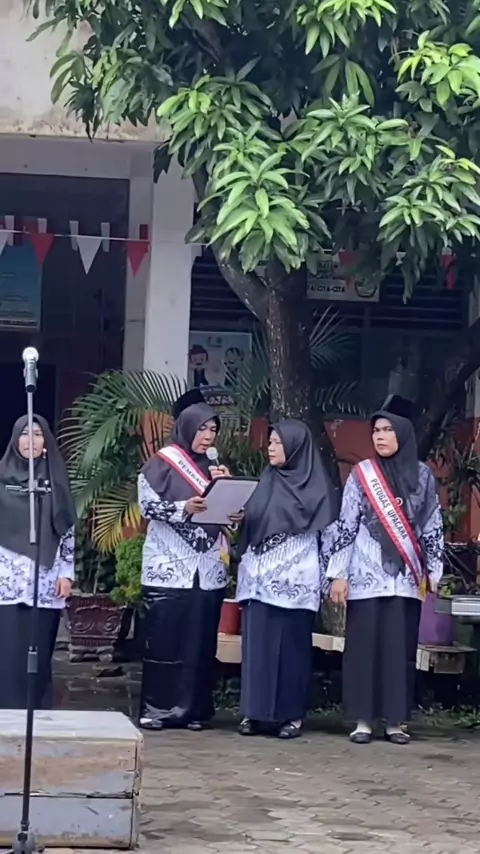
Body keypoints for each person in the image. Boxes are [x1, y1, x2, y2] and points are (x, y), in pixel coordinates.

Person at [327, 399, 444, 745]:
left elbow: (432, 525)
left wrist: (434, 569)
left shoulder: (422, 476)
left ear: (403, 434)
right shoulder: (362, 474)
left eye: (387, 430)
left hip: (405, 578)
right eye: (376, 430)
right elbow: (346, 525)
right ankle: (363, 720)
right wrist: (338, 573)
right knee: (363, 649)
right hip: (366, 573)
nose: (379, 436)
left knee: (398, 650)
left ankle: (395, 721)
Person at [138, 390, 233, 731]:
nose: (208, 436)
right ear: (187, 427)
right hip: (169, 567)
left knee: (200, 643)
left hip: (207, 569)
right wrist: (184, 508)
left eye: (213, 430)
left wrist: (232, 503)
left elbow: (227, 516)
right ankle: (158, 709)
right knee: (165, 642)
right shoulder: (161, 463)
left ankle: (194, 710)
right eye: (202, 428)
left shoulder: (216, 469)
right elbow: (147, 506)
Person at [236, 420, 338, 739]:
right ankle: (254, 713)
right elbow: (251, 525)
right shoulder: (265, 481)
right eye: (270, 442)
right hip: (257, 582)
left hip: (295, 582)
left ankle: (290, 716)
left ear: (296, 447)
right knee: (258, 650)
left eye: (278, 443)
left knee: (291, 651)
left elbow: (330, 538)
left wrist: (329, 580)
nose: (270, 448)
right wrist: (239, 517)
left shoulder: (317, 489)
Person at [0, 414, 76, 709]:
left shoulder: (54, 480)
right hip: (6, 577)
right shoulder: (1, 477)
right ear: (14, 439)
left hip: (45, 578)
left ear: (46, 441)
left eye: (37, 434)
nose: (30, 440)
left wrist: (66, 573)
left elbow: (67, 530)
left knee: (39, 647)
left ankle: (36, 709)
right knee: (7, 647)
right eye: (24, 434)